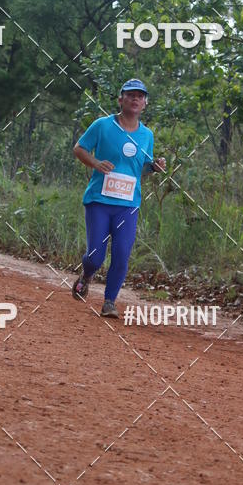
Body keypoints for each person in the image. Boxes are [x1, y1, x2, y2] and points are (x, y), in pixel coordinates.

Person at [71, 78, 166, 318]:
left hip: (128, 204)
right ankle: (87, 274)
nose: (135, 99)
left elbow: (140, 168)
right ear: (120, 99)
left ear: (145, 103)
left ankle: (109, 302)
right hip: (99, 201)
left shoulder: (147, 135)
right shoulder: (102, 125)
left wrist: (154, 167)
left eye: (140, 96)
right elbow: (79, 149)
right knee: (95, 256)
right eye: (130, 95)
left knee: (122, 254)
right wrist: (95, 163)